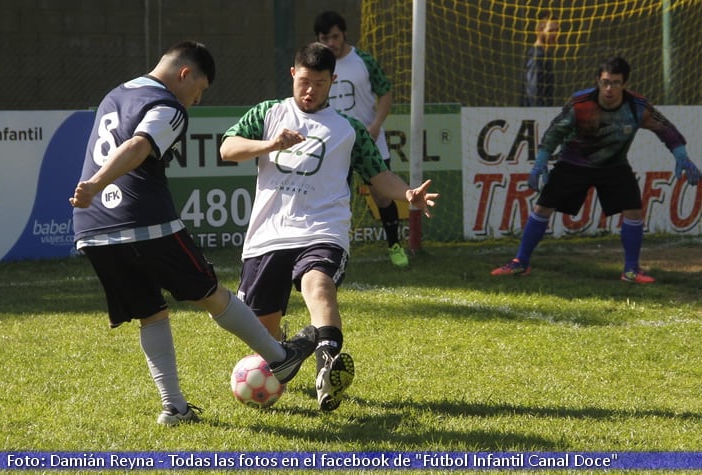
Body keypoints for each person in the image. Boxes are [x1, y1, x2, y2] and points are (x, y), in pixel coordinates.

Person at [69, 41, 317, 426]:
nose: (195, 102)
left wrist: (93, 190)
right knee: (210, 293)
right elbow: (138, 146)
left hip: (94, 228)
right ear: (185, 74)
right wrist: (96, 183)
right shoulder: (167, 106)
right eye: (198, 92)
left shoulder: (117, 93)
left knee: (152, 313)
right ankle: (280, 358)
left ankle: (174, 408)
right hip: (143, 220)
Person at [219, 42, 438, 411]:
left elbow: (378, 175)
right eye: (304, 81)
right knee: (265, 337)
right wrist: (271, 144)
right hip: (268, 235)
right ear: (293, 74)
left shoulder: (349, 129)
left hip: (323, 229)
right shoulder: (269, 114)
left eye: (320, 83)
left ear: (333, 81)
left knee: (317, 284)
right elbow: (227, 149)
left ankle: (327, 370)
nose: (310, 90)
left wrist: (407, 195)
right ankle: (297, 347)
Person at [493, 56, 702, 283]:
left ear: (625, 84)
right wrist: (540, 163)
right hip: (573, 163)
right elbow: (554, 132)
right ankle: (520, 262)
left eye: (615, 82)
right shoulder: (580, 103)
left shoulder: (637, 106)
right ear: (598, 81)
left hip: (614, 166)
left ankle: (631, 270)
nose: (609, 88)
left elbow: (665, 129)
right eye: (605, 82)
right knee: (543, 207)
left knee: (633, 211)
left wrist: (681, 156)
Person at [313, 11, 408, 267]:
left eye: (335, 36)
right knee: (334, 196)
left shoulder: (363, 60)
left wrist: (376, 125)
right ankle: (333, 250)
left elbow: (385, 92)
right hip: (334, 143)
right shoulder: (319, 65)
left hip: (369, 140)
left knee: (383, 196)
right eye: (325, 38)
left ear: (343, 33)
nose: (331, 42)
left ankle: (394, 245)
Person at [520, 11, 559, 107]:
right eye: (550, 30)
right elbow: (533, 91)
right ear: (539, 30)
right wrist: (539, 116)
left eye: (557, 30)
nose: (555, 34)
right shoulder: (537, 56)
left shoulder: (543, 54)